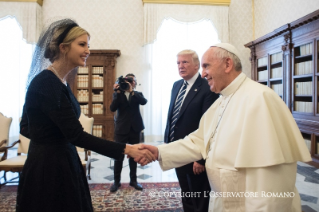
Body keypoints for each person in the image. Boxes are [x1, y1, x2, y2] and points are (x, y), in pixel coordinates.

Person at [139, 43, 312, 212]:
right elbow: (198, 142)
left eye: (206, 66)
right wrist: (159, 152)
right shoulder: (222, 99)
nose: (203, 73)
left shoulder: (260, 99)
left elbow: (270, 187)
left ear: (227, 64)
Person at [17, 19, 154, 212]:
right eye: (82, 44)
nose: (88, 50)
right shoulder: (46, 83)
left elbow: (28, 128)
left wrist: (53, 138)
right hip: (49, 169)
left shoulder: (59, 81)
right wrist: (128, 149)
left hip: (62, 160)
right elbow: (76, 135)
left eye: (88, 45)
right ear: (63, 48)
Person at [165, 49, 218, 212]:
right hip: (177, 148)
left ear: (197, 66)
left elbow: (209, 125)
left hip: (195, 152)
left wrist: (201, 158)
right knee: (186, 192)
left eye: (185, 62)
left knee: (200, 195)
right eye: (178, 63)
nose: (181, 66)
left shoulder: (206, 87)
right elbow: (173, 115)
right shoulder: (176, 85)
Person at [109, 73, 147, 192]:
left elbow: (144, 101)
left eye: (132, 81)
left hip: (135, 128)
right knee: (118, 155)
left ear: (135, 83)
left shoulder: (137, 94)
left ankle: (134, 180)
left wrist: (131, 92)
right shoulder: (118, 93)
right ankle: (116, 182)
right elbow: (112, 108)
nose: (131, 83)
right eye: (128, 81)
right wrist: (118, 92)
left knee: (134, 156)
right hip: (121, 129)